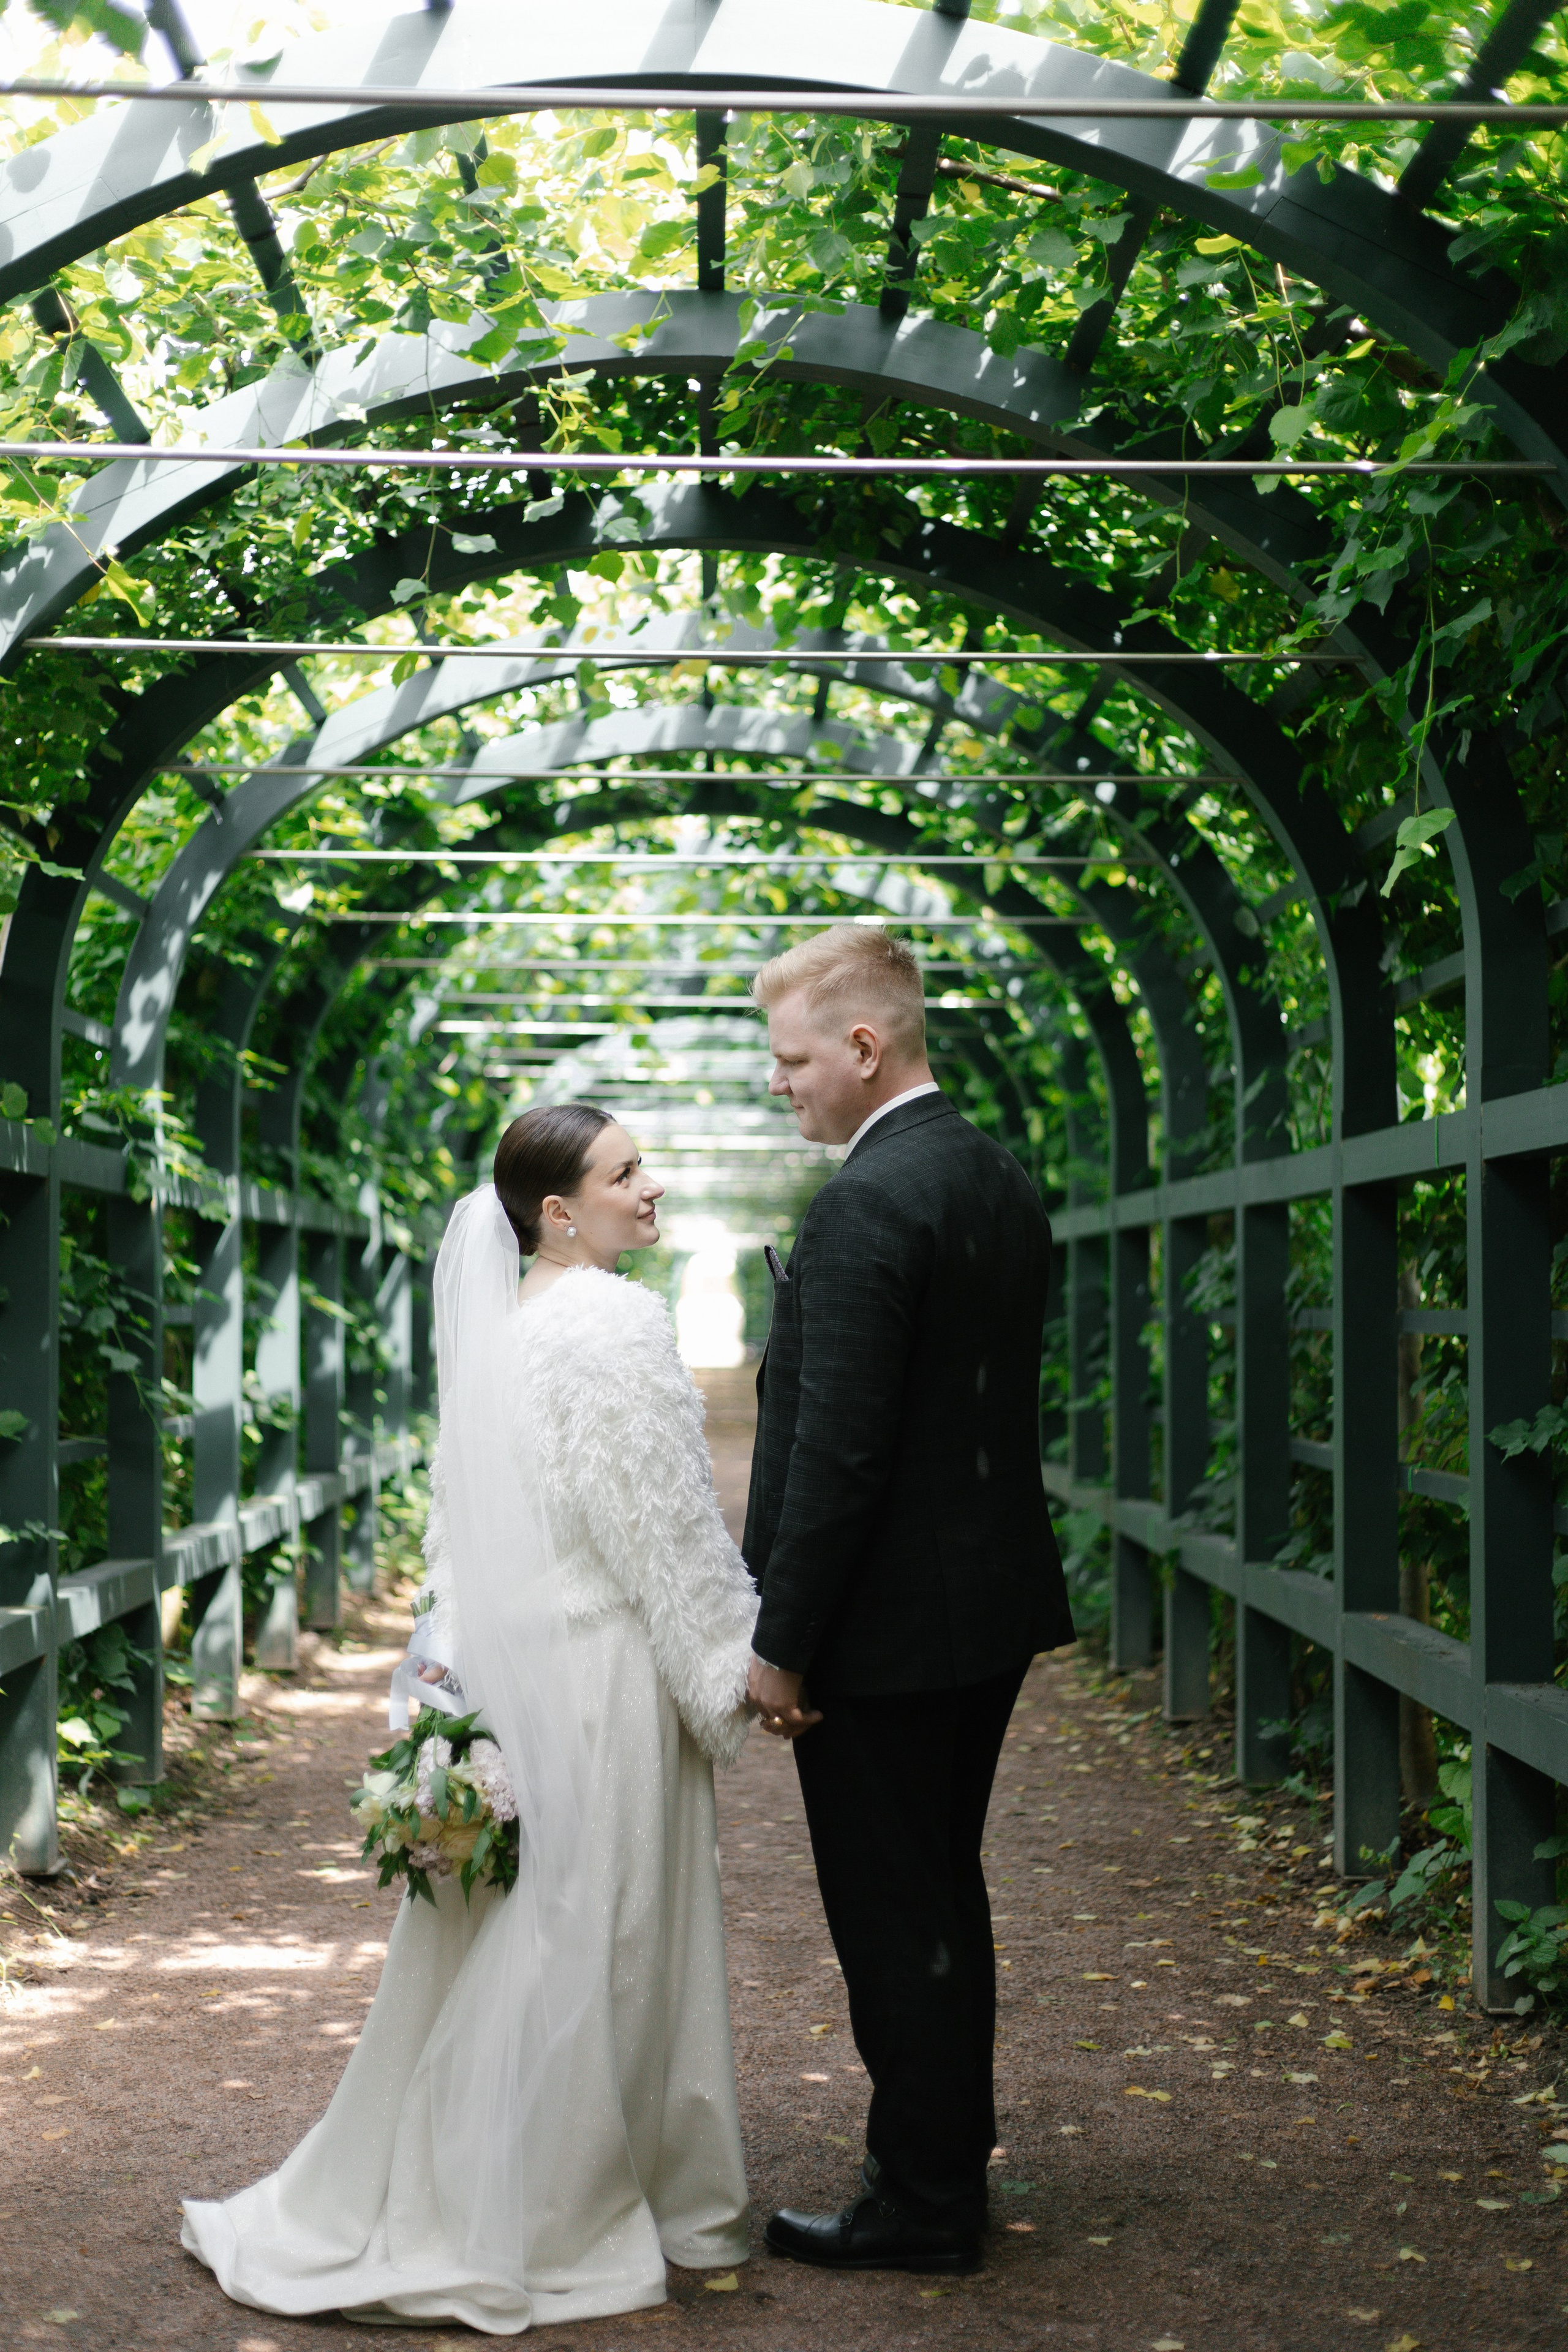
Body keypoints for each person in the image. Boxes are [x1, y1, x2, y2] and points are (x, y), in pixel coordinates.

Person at [182, 1104, 760, 2334]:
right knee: (605, 1931)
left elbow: (470, 1532)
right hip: (602, 1672)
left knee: (524, 1928)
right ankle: (554, 2204)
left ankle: (470, 2178)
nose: (650, 1190)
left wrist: (448, 1706)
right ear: (559, 1212)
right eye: (627, 1173)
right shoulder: (612, 1319)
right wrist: (735, 1669)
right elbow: (657, 1525)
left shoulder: (510, 1326)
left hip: (513, 1667)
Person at [742, 925, 1074, 2276]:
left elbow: (846, 1448)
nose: (781, 1085)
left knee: (893, 1910)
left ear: (863, 1047)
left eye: (791, 1058)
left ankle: (923, 2203)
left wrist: (784, 1644)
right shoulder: (991, 1173)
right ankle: (937, 2165)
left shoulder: (871, 1200)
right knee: (939, 1891)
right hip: (976, 1609)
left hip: (885, 1631)